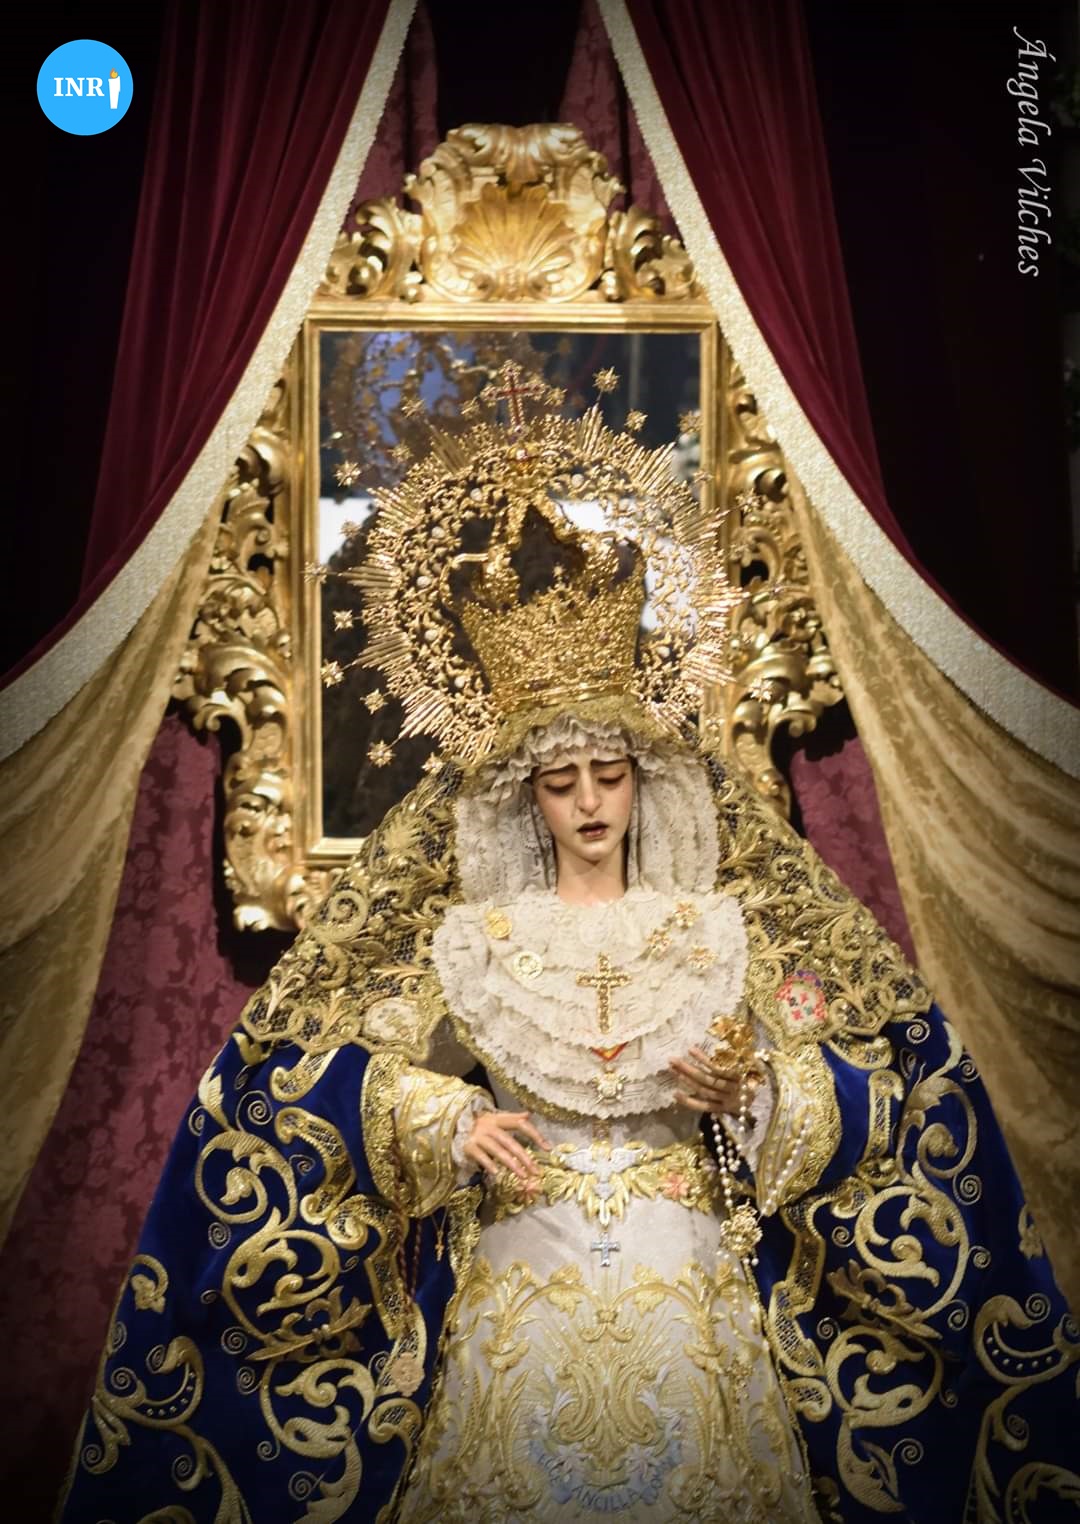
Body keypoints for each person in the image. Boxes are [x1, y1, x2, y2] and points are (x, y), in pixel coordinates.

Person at [60, 385, 1078, 1522]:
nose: (590, 804)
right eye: (560, 783)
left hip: (689, 1286)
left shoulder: (714, 926)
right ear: (524, 797)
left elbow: (871, 1083)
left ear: (644, 778)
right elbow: (322, 1072)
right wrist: (444, 1118)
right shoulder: (474, 938)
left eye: (609, 775)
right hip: (521, 1282)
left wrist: (757, 1096)